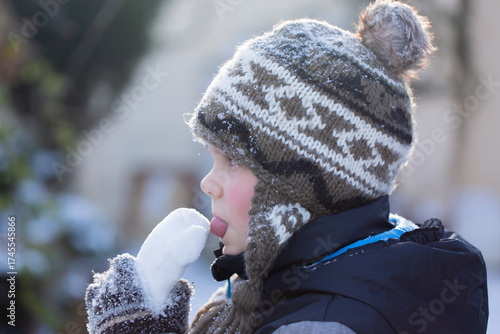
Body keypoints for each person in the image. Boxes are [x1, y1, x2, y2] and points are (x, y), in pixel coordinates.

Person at [85, 1, 489, 333]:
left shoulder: (325, 325)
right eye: (212, 158)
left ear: (308, 184)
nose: (209, 184)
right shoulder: (276, 287)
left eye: (234, 161)